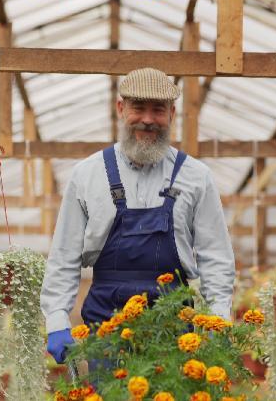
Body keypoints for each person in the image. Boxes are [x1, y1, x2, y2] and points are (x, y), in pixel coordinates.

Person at [41, 67, 235, 365]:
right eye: (138, 107)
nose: (147, 119)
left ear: (171, 114)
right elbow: (64, 254)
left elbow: (215, 255)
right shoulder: (87, 174)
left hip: (173, 324)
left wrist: (218, 317)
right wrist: (56, 320)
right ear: (121, 108)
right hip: (106, 323)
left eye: (157, 110)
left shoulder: (197, 177)